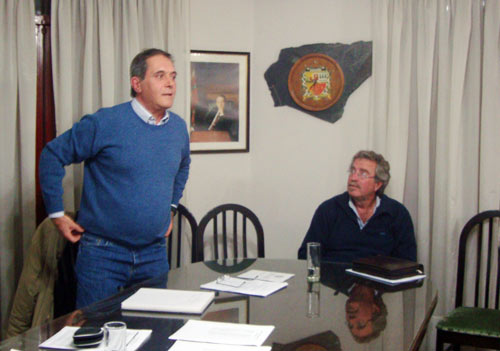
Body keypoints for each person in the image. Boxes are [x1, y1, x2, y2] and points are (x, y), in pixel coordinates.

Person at [39, 48, 191, 308]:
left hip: (154, 254)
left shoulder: (177, 127)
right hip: (103, 255)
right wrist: (56, 214)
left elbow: (183, 167)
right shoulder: (105, 123)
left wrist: (172, 208)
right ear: (137, 83)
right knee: (97, 338)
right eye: (160, 76)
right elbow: (52, 155)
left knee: (153, 335)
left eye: (173, 77)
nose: (170, 84)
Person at [298, 150, 416, 262]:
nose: (353, 178)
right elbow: (306, 255)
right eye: (353, 171)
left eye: (363, 174)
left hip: (377, 281)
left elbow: (407, 262)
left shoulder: (397, 213)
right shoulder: (328, 209)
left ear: (377, 184)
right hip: (335, 281)